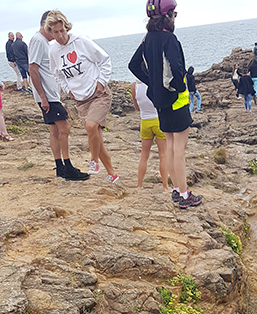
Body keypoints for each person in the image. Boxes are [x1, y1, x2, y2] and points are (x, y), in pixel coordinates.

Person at [128, 0, 202, 210]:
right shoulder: (169, 39)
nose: (175, 18)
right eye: (174, 14)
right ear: (168, 15)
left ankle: (177, 191)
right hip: (176, 100)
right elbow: (178, 70)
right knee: (179, 149)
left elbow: (133, 64)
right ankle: (185, 194)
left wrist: (152, 81)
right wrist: (178, 87)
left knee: (170, 147)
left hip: (159, 100)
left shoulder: (148, 38)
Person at [46, 10, 119, 183]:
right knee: (96, 137)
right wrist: (67, 90)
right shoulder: (53, 50)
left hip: (98, 94)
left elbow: (104, 60)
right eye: (56, 32)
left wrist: (101, 82)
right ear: (51, 32)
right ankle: (112, 174)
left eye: (62, 30)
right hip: (80, 100)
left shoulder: (81, 41)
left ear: (66, 27)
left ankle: (93, 161)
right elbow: (57, 74)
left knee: (91, 126)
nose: (60, 35)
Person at [29, 11, 89, 181]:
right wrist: (43, 96)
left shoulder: (46, 43)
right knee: (64, 128)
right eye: (54, 30)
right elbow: (32, 69)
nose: (57, 34)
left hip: (51, 94)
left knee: (55, 130)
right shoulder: (38, 41)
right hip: (48, 95)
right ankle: (68, 167)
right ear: (46, 26)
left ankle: (60, 167)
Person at [131, 80, 169, 192]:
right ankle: (165, 187)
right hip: (158, 120)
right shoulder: (156, 82)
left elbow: (136, 106)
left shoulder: (135, 86)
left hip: (145, 121)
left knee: (144, 155)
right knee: (163, 155)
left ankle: (139, 185)